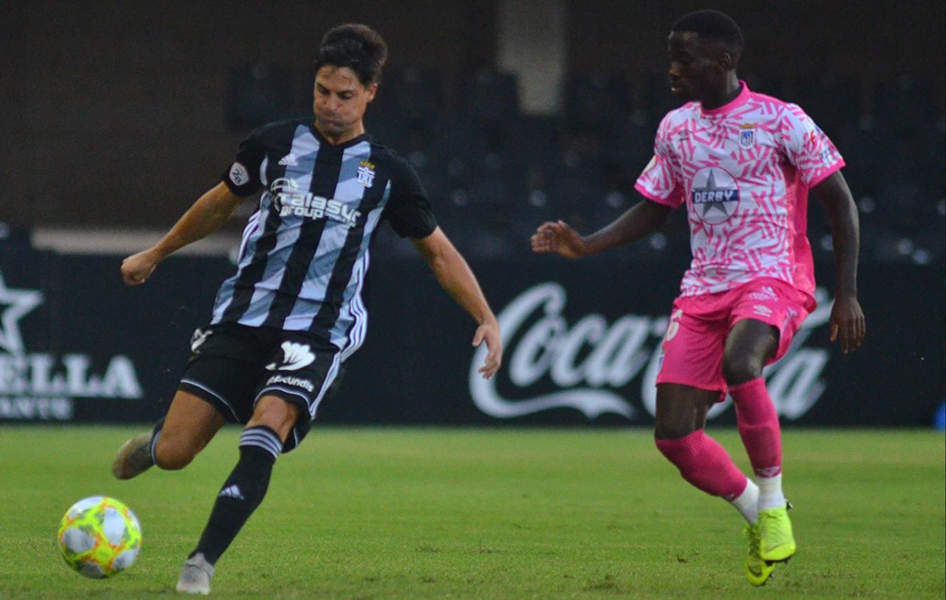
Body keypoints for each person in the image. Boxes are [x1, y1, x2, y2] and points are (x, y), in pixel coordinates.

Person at [110, 23, 502, 596]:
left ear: (371, 93)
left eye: (345, 95)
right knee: (175, 454)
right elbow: (220, 203)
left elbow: (438, 253)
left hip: (319, 329)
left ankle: (200, 564)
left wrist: (486, 317)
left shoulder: (388, 174)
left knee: (267, 425)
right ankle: (156, 443)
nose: (331, 105)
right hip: (243, 316)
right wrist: (157, 252)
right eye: (323, 91)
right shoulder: (274, 144)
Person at [532, 9, 865, 587]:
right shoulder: (676, 128)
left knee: (742, 362)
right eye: (671, 59)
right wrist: (587, 245)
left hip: (773, 276)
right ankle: (761, 516)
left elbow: (840, 202)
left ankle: (775, 496)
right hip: (703, 288)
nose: (673, 70)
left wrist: (849, 294)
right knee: (675, 437)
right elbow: (656, 206)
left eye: (684, 60)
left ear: (725, 61)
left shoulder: (782, 122)